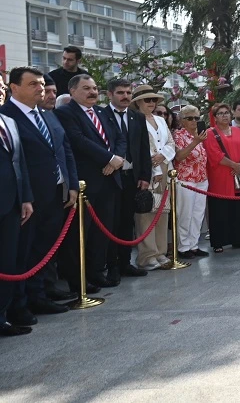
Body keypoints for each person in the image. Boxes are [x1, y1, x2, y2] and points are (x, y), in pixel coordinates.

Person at [1, 68, 76, 322]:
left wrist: (71, 184)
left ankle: (39, 295)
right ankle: (19, 304)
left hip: (55, 194)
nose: (40, 88)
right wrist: (26, 196)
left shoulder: (47, 115)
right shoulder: (7, 116)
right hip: (25, 199)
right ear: (14, 88)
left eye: (42, 84)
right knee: (22, 253)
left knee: (44, 249)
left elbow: (64, 150)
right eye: (33, 84)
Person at [54, 75, 126, 293]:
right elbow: (78, 141)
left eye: (94, 88)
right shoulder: (65, 113)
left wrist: (116, 159)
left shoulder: (102, 112)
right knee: (79, 234)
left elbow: (120, 138)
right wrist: (108, 158)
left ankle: (96, 272)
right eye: (86, 88)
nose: (93, 92)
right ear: (72, 91)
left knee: (101, 232)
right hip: (85, 183)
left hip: (109, 180)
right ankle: (78, 279)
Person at [99, 79, 152, 282]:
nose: (125, 96)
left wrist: (145, 176)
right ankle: (111, 265)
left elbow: (143, 148)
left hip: (132, 178)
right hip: (110, 178)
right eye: (120, 92)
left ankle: (125, 263)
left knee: (127, 222)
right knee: (111, 223)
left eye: (128, 92)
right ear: (110, 94)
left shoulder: (137, 117)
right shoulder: (101, 115)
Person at [129, 85, 175, 270]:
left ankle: (160, 252)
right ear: (138, 102)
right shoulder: (133, 120)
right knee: (145, 213)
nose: (151, 103)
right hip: (145, 170)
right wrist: (152, 165)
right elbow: (138, 147)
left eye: (154, 100)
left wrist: (162, 155)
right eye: (147, 100)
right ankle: (147, 255)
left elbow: (170, 142)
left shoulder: (161, 120)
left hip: (165, 167)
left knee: (162, 211)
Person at [0, 110, 34, 336]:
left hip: (11, 204)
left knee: (7, 263)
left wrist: (26, 197)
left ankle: (3, 316)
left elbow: (19, 161)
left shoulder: (9, 122)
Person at [203, 103, 240, 253]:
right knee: (219, 211)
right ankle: (218, 242)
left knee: (237, 211)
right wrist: (234, 165)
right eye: (220, 113)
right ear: (215, 117)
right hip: (220, 178)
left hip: (237, 177)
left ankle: (238, 240)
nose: (224, 115)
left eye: (226, 113)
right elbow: (214, 154)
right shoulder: (210, 133)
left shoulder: (237, 131)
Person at [173, 105, 210, 259]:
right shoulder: (178, 135)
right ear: (182, 120)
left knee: (198, 214)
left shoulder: (200, 134)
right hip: (185, 179)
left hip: (201, 179)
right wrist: (195, 142)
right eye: (190, 118)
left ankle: (194, 245)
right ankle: (183, 247)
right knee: (185, 214)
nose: (194, 121)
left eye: (196, 118)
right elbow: (179, 156)